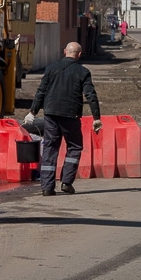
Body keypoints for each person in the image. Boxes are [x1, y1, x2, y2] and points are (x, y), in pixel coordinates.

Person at [25, 42, 102, 196]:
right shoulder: (83, 72)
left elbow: (41, 91)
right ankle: (66, 182)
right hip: (71, 115)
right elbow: (91, 95)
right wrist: (96, 118)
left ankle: (47, 187)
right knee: (74, 146)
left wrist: (33, 112)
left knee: (50, 148)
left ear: (65, 51)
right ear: (79, 54)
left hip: (51, 114)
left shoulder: (51, 69)